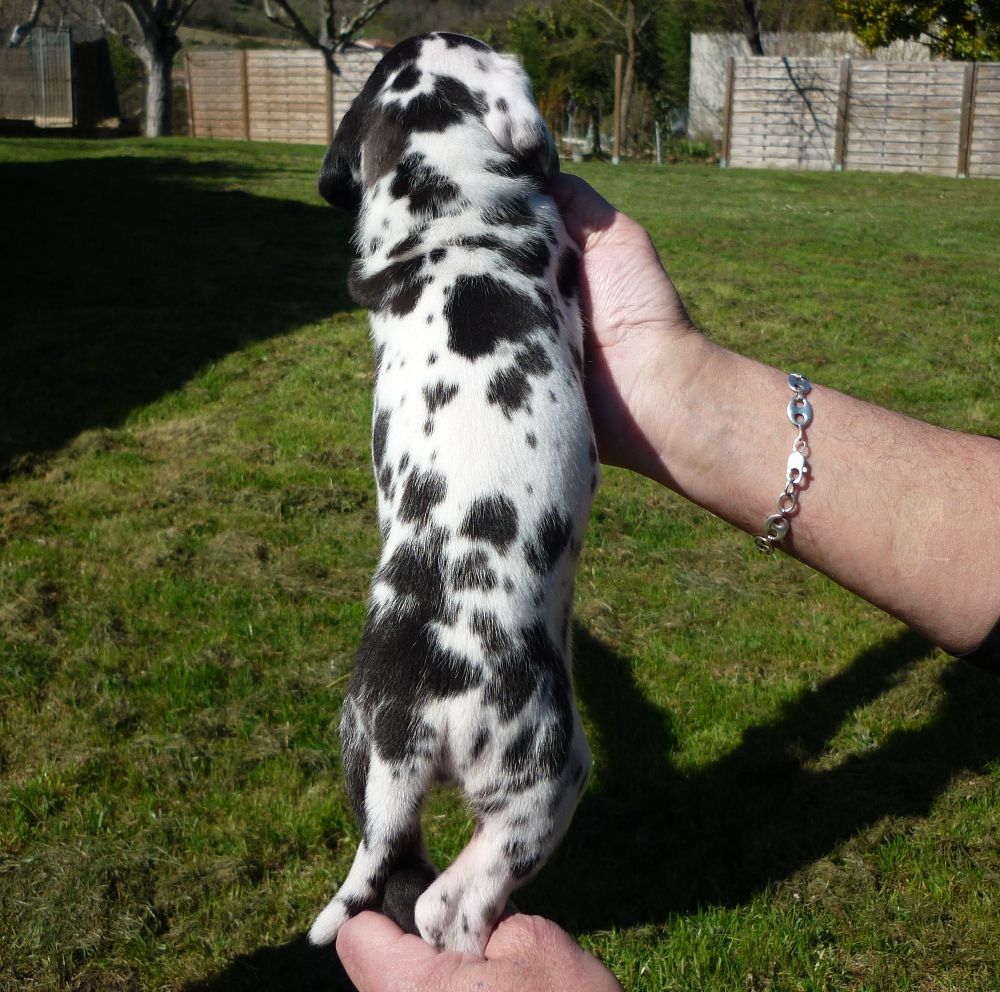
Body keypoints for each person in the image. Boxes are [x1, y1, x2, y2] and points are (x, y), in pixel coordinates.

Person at [335, 173, 1000, 992]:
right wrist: (667, 380)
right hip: (502, 679)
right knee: (549, 773)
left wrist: (665, 382)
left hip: (418, 663)